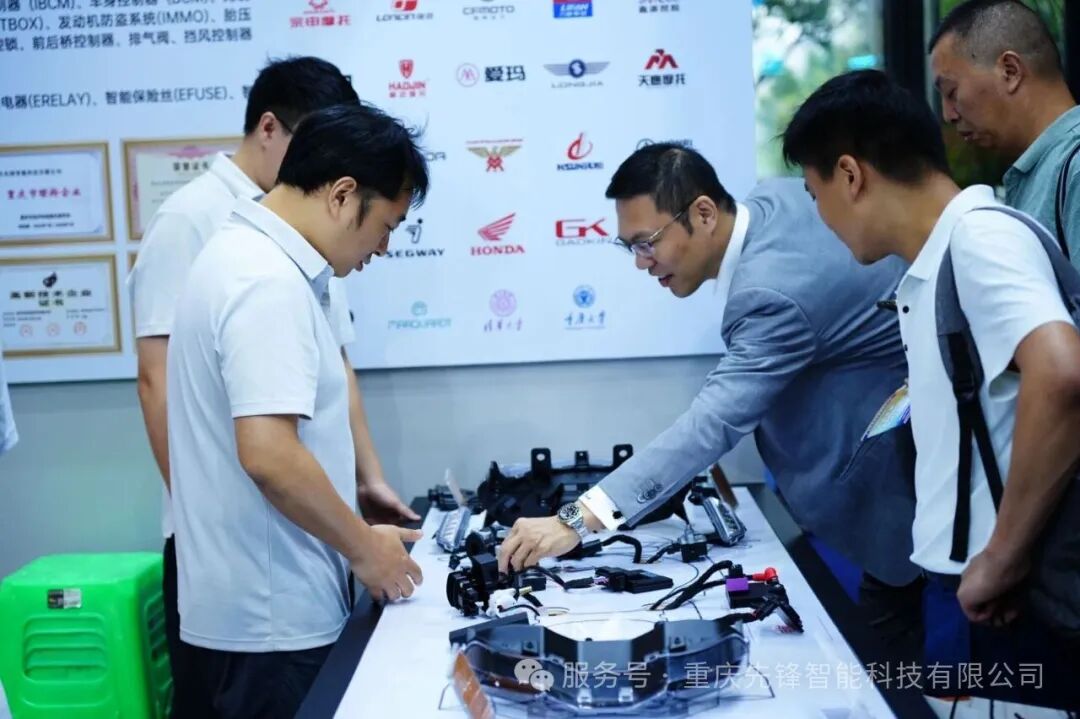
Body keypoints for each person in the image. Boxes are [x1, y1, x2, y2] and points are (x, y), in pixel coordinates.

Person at [498, 142, 926, 654]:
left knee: (879, 674)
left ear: (703, 213)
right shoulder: (774, 200)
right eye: (629, 247)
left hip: (890, 503)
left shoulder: (771, 293)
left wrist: (574, 521)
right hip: (878, 475)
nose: (641, 263)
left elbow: (711, 424)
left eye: (647, 243)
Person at [128, 56, 419, 718]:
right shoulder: (265, 280)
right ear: (342, 195)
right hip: (271, 619)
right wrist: (364, 548)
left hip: (257, 608)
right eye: (386, 226)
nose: (382, 249)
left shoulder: (250, 256)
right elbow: (269, 453)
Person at [782, 68, 1080, 707]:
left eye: (814, 192)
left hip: (1016, 591)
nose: (820, 217)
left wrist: (1002, 555)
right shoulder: (939, 259)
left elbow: (1061, 374)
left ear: (850, 175)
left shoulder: (980, 239)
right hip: (980, 587)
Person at [929, 0, 1080, 264]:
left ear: (1010, 71)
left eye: (952, 92)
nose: (948, 115)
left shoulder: (1075, 168)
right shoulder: (1040, 171)